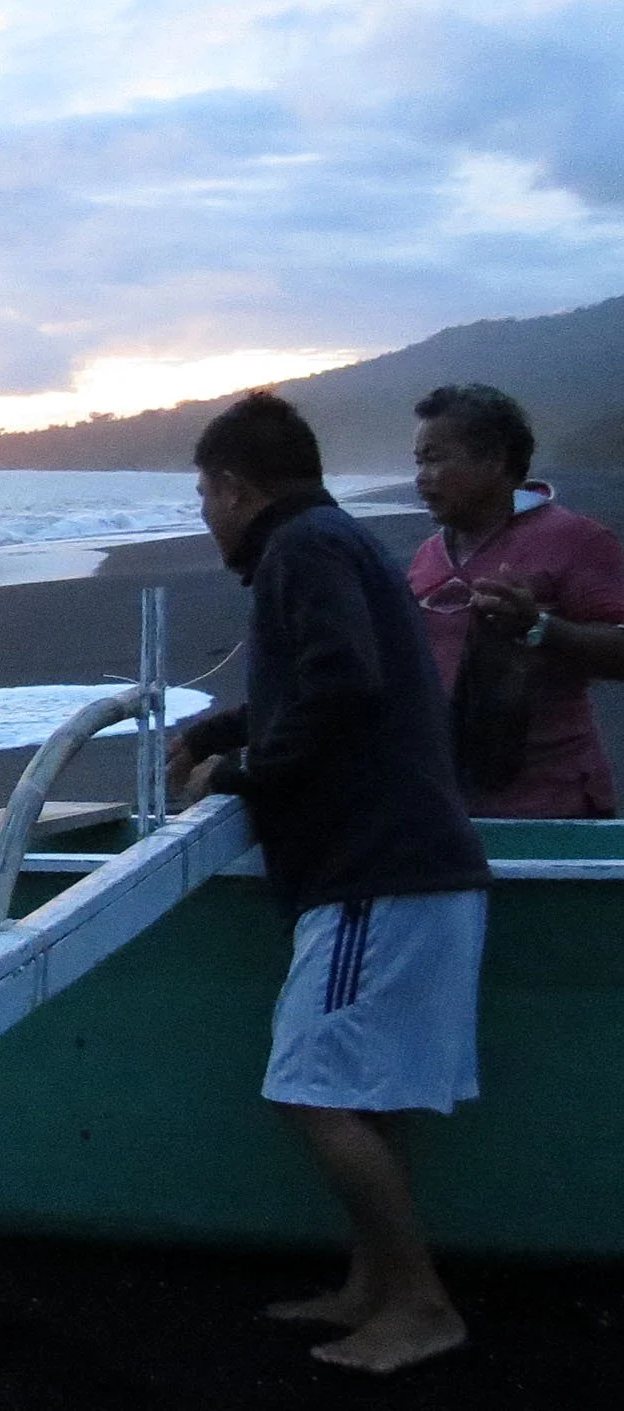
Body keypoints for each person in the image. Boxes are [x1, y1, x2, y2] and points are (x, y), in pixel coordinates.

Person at [169, 391, 491, 1374]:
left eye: (204, 494)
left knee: (310, 1087)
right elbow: (322, 680)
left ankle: (423, 1304)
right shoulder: (336, 541)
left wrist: (243, 772)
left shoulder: (302, 549)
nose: (205, 515)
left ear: (236, 486)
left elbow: (342, 683)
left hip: (372, 872)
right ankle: (371, 1284)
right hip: (409, 864)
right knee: (368, 1090)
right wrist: (217, 729)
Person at [406, 383, 624, 817]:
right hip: (451, 808)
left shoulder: (574, 539)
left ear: (495, 460)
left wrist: (539, 628)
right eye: (419, 462)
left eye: (435, 459)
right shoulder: (428, 556)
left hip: (555, 804)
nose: (421, 477)